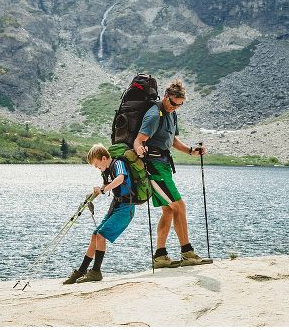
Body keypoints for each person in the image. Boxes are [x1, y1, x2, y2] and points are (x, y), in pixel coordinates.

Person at [133, 79, 210, 267]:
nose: (175, 107)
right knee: (179, 205)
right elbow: (139, 140)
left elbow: (173, 140)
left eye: (179, 105)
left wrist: (191, 151)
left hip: (164, 167)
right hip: (153, 168)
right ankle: (187, 253)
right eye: (173, 103)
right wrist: (139, 149)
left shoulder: (171, 114)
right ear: (166, 97)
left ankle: (160, 256)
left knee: (168, 210)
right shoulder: (154, 114)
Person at [63, 144, 135, 284]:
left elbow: (120, 179)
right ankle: (82, 270)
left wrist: (103, 190)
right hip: (116, 205)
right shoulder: (107, 171)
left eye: (97, 165)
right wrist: (92, 196)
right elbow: (104, 187)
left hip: (126, 208)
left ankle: (96, 272)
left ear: (103, 158)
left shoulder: (118, 163)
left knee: (101, 235)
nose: (97, 168)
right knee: (95, 235)